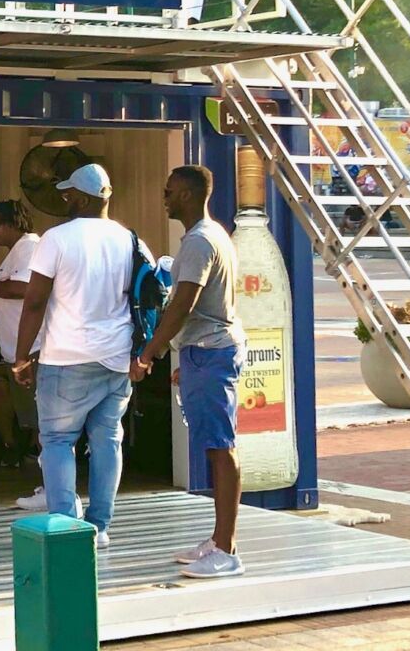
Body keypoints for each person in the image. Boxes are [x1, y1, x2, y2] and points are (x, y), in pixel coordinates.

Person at [132, 164, 247, 580]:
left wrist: (149, 354)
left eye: (169, 191)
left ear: (186, 194)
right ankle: (218, 540)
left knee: (221, 447)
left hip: (212, 351)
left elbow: (182, 304)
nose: (164, 197)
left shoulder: (200, 241)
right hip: (206, 352)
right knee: (215, 445)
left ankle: (228, 550)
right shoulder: (213, 235)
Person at [13, 164, 134, 551]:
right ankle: (100, 526)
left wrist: (20, 357)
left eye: (68, 194)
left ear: (82, 198)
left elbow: (34, 302)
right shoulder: (129, 238)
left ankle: (67, 527)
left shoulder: (56, 238)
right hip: (116, 357)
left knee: (58, 440)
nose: (64, 199)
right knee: (107, 441)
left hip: (66, 356)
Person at [0, 199, 46, 510]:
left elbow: (27, 289)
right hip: (17, 351)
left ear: (14, 222)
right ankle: (48, 485)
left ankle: (52, 489)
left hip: (34, 350)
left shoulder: (31, 247)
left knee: (44, 424)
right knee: (36, 422)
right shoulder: (14, 254)